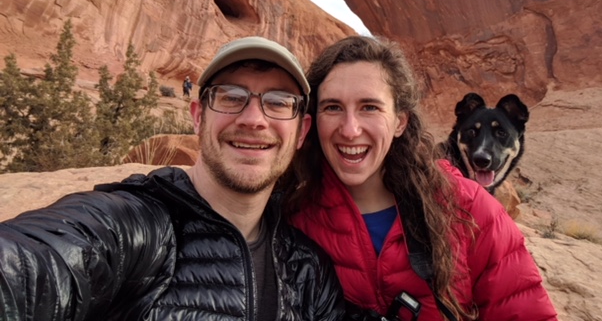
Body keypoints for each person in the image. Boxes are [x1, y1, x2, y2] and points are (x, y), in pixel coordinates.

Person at [0, 36, 345, 321]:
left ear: (302, 132)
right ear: (197, 117)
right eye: (230, 97)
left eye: (279, 102)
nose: (254, 119)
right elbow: (32, 265)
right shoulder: (133, 228)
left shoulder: (309, 270)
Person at [282, 35, 557, 321]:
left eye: (370, 107)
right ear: (314, 120)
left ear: (400, 121)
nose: (350, 130)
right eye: (333, 107)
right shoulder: (294, 217)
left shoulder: (468, 209)